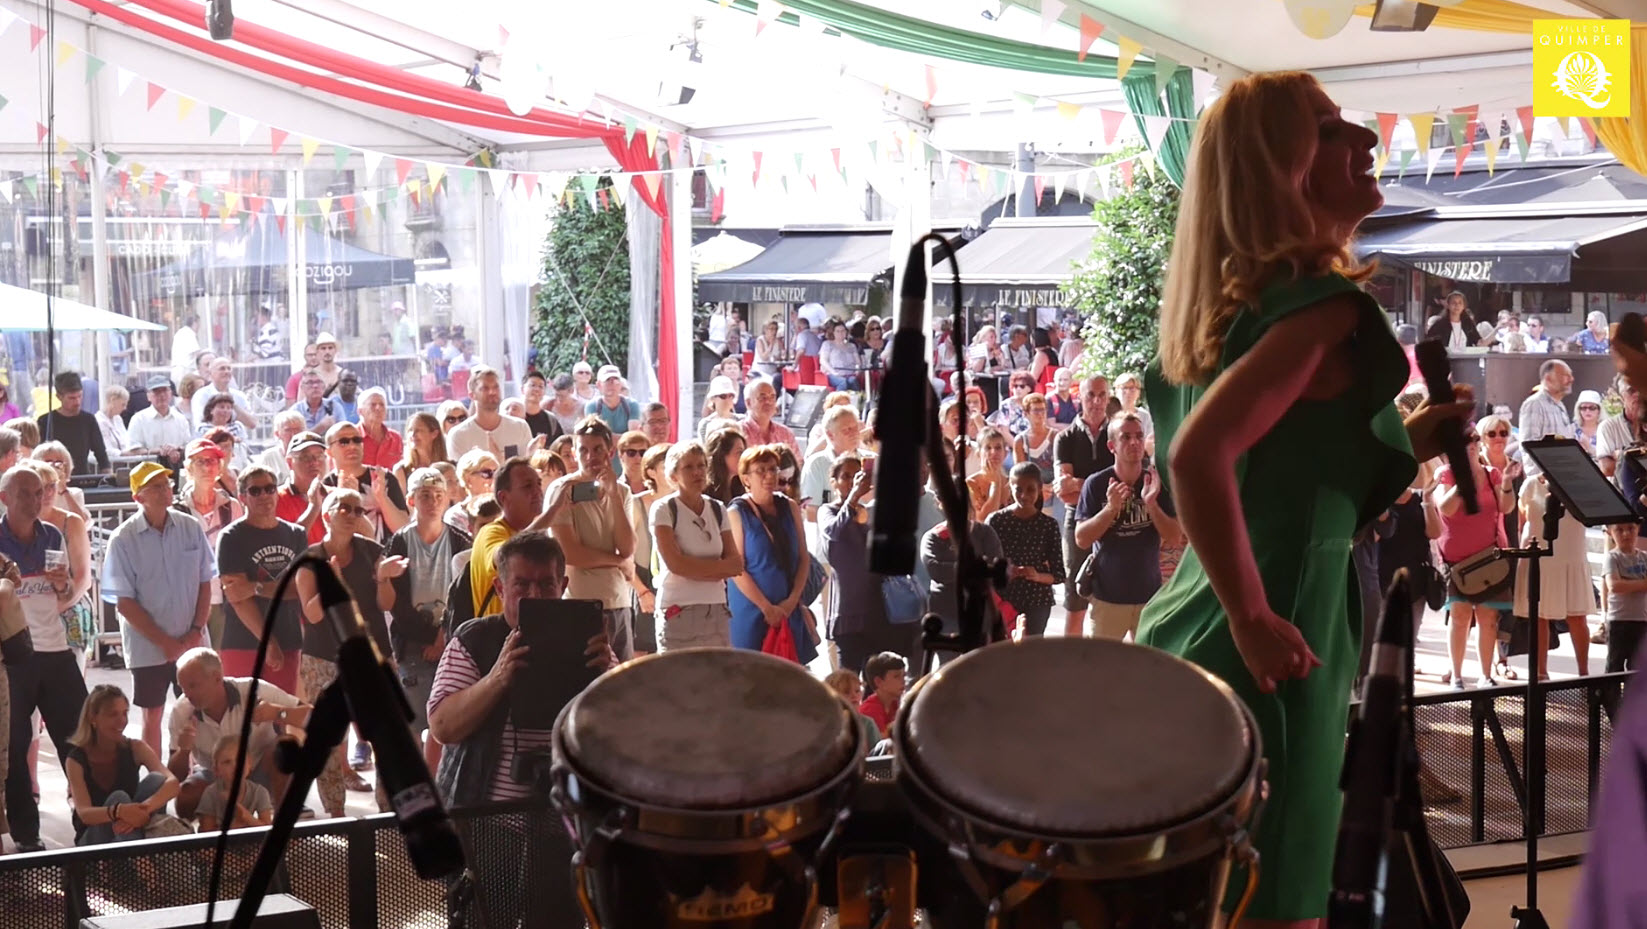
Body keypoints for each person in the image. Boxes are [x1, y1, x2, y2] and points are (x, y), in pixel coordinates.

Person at [1135, 71, 1472, 926]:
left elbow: (1286, 478)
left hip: (1196, 620)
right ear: (1273, 170)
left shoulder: (1227, 316)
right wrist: (1252, 614)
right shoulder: (1323, 309)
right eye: (1326, 130)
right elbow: (1199, 455)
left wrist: (1416, 438)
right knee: (1279, 898)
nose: (1361, 137)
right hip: (1276, 625)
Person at [430, 531, 616, 806]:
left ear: (562, 585)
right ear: (500, 588)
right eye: (521, 585)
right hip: (485, 815)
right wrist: (497, 679)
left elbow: (623, 726)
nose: (535, 596)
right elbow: (442, 727)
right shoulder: (474, 640)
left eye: (546, 584)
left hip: (563, 816)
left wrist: (606, 683)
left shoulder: (587, 640)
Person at [1, 464, 91, 851]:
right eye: (26, 492)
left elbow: (65, 588)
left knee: (81, 740)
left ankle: (91, 826)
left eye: (40, 492)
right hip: (12, 657)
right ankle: (26, 838)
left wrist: (62, 583)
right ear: (5, 497)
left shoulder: (53, 532)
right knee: (15, 746)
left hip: (55, 652)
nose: (36, 499)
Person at [294, 488, 399, 814]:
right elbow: (311, 615)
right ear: (327, 515)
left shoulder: (372, 551)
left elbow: (386, 604)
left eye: (358, 510)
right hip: (324, 658)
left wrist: (383, 579)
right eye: (345, 509)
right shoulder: (311, 559)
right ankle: (335, 812)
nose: (354, 514)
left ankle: (385, 807)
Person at [102, 460, 215, 755]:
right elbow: (124, 602)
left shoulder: (190, 527)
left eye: (166, 484)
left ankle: (194, 772)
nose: (165, 490)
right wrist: (165, 642)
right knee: (152, 713)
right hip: (148, 647)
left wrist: (194, 632)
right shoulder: (123, 539)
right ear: (137, 497)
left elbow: (206, 582)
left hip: (193, 641)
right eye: (155, 487)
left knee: (198, 710)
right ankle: (157, 779)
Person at [387, 468, 473, 772]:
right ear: (411, 499)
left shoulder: (462, 541)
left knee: (450, 724)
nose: (433, 502)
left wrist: (443, 638)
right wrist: (429, 637)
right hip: (413, 644)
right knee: (412, 722)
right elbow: (397, 602)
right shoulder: (399, 542)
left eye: (438, 495)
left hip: (450, 642)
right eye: (425, 495)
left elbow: (464, 598)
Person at [168, 647, 310, 820]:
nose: (187, 694)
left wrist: (278, 713)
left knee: (285, 747)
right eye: (182, 688)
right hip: (216, 776)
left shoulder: (253, 690)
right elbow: (174, 777)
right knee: (186, 797)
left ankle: (283, 824)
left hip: (260, 769)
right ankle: (204, 842)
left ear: (217, 677)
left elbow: (313, 716)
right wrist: (184, 751)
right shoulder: (181, 711)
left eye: (192, 685)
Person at [1075, 412, 1182, 641]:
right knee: (1101, 669)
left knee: (1146, 670)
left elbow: (1174, 537)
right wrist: (1110, 509)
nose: (1134, 442)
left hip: (1149, 597)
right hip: (1107, 599)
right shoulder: (1097, 484)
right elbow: (1081, 539)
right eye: (1125, 437)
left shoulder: (1155, 482)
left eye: (1138, 436)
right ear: (1112, 445)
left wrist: (1151, 504)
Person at [548, 418, 639, 661]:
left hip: (619, 600)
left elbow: (627, 547)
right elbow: (571, 553)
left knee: (623, 682)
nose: (591, 457)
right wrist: (618, 561)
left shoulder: (622, 491)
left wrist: (613, 496)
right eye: (583, 450)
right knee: (588, 684)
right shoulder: (562, 490)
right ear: (574, 454)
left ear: (610, 452)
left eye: (597, 449)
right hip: (581, 603)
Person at [215, 466, 308, 697]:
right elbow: (237, 597)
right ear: (242, 497)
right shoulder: (230, 537)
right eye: (255, 491)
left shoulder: (296, 534)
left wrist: (255, 587)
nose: (264, 495)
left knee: (280, 714)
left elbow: (300, 589)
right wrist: (269, 642)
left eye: (269, 488)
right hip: (242, 641)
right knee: (242, 715)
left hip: (289, 637)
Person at [726, 444, 817, 664]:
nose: (769, 476)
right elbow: (737, 568)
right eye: (761, 470)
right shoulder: (736, 513)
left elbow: (803, 558)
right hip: (752, 609)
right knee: (751, 673)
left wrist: (791, 601)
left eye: (773, 469)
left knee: (790, 674)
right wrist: (766, 608)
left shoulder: (790, 507)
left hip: (788, 607)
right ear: (745, 478)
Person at [64, 684, 182, 845]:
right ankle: (143, 865)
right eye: (113, 714)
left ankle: (135, 859)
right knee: (119, 797)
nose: (122, 721)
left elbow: (172, 783)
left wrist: (141, 811)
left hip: (128, 831)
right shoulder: (76, 759)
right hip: (93, 839)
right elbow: (85, 813)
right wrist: (119, 811)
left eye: (125, 713)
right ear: (93, 718)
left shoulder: (135, 747)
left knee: (156, 779)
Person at [650, 442, 740, 651]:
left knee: (717, 680)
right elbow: (676, 565)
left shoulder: (717, 509)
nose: (697, 472)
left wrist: (694, 569)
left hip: (716, 610)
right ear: (673, 475)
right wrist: (718, 569)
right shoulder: (664, 509)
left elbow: (736, 564)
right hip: (678, 612)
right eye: (688, 467)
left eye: (701, 465)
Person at [985, 463, 1065, 638]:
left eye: (1030, 490)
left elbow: (1059, 574)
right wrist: (1005, 573)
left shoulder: (1048, 525)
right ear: (1010, 488)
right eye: (1018, 489)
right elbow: (984, 564)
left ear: (1040, 489)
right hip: (1003, 597)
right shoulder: (996, 520)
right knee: (1000, 650)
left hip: (1036, 599)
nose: (1024, 495)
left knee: (1031, 654)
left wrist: (1036, 575)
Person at [319, 421, 409, 542]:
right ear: (329, 451)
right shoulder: (326, 485)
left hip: (387, 555)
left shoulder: (383, 477)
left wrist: (382, 497)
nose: (352, 446)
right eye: (344, 442)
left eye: (357, 440)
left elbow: (403, 529)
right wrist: (345, 500)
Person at [447, 366, 534, 463]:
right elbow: (460, 475)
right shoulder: (458, 435)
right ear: (472, 395)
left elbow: (526, 469)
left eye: (495, 387)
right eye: (485, 388)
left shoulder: (520, 427)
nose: (492, 392)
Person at [195, 735, 274, 832]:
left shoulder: (260, 792)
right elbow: (206, 832)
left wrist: (247, 817)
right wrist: (232, 827)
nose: (236, 766)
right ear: (216, 770)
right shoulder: (211, 794)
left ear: (250, 763)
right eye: (227, 762)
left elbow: (268, 829)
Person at [38, 371, 109, 475]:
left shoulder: (88, 420)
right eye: (71, 398)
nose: (77, 402)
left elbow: (101, 454)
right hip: (53, 480)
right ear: (59, 397)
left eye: (80, 396)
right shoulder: (45, 422)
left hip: (82, 479)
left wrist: (107, 477)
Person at [1519, 359, 1575, 478]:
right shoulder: (1535, 404)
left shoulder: (1560, 406)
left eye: (1571, 375)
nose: (1571, 379)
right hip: (1543, 483)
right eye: (1566, 375)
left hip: (1562, 480)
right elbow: (1529, 445)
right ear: (1548, 378)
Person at [1604, 520, 1647, 673]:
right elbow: (1614, 586)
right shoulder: (1612, 558)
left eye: (1631, 528)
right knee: (1615, 664)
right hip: (1619, 621)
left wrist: (1629, 584)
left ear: (1638, 529)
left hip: (1641, 620)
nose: (1626, 534)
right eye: (1619, 530)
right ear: (1610, 532)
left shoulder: (1644, 557)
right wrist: (1642, 584)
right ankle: (1609, 697)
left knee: (1638, 667)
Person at [127, 376, 194, 464]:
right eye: (157, 392)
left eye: (165, 390)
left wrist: (176, 449)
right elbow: (133, 451)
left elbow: (188, 446)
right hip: (148, 469)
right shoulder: (138, 419)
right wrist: (159, 451)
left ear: (171, 393)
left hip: (176, 467)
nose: (162, 395)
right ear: (148, 396)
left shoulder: (180, 419)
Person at [191, 357, 257, 429]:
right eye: (222, 368)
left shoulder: (239, 396)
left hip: (238, 437)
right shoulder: (201, 395)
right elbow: (199, 424)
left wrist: (233, 404)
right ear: (211, 373)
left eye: (229, 368)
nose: (226, 372)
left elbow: (252, 424)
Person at [585, 365, 642, 438]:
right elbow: (593, 435)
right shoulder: (592, 406)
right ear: (599, 385)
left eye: (616, 380)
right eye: (607, 380)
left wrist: (608, 438)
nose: (612, 384)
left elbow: (633, 436)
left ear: (620, 384)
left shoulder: (632, 405)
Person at [857, 652, 906, 738]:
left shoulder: (893, 703)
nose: (903, 681)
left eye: (904, 676)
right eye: (896, 676)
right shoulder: (870, 709)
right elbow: (882, 740)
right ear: (878, 682)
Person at [257, 411, 307, 485]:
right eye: (288, 430)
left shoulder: (315, 455)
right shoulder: (268, 457)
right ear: (277, 434)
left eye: (298, 430)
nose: (294, 435)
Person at [357, 387, 403, 470]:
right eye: (373, 405)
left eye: (382, 405)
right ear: (360, 411)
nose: (378, 408)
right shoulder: (351, 437)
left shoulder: (396, 438)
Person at [519, 371, 564, 442]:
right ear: (522, 389)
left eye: (541, 386)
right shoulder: (513, 416)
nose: (537, 389)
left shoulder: (551, 420)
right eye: (532, 385)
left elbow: (559, 445)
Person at [698, 377, 742, 441]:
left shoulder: (741, 420)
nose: (728, 399)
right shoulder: (705, 424)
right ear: (713, 398)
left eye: (731, 396)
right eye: (723, 396)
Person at [98, 384, 131, 456]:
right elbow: (105, 448)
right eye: (123, 404)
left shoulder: (118, 419)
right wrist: (126, 453)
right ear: (113, 400)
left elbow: (126, 441)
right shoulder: (98, 421)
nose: (125, 408)